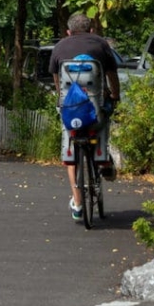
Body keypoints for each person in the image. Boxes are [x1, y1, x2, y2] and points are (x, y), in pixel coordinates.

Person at [49, 13, 120, 222]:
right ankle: (103, 158)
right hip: (95, 112)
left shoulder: (60, 47)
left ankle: (78, 203)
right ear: (91, 30)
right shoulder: (101, 44)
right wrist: (115, 96)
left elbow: (57, 82)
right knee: (103, 119)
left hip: (71, 115)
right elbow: (112, 76)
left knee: (71, 155)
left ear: (68, 32)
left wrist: (63, 103)